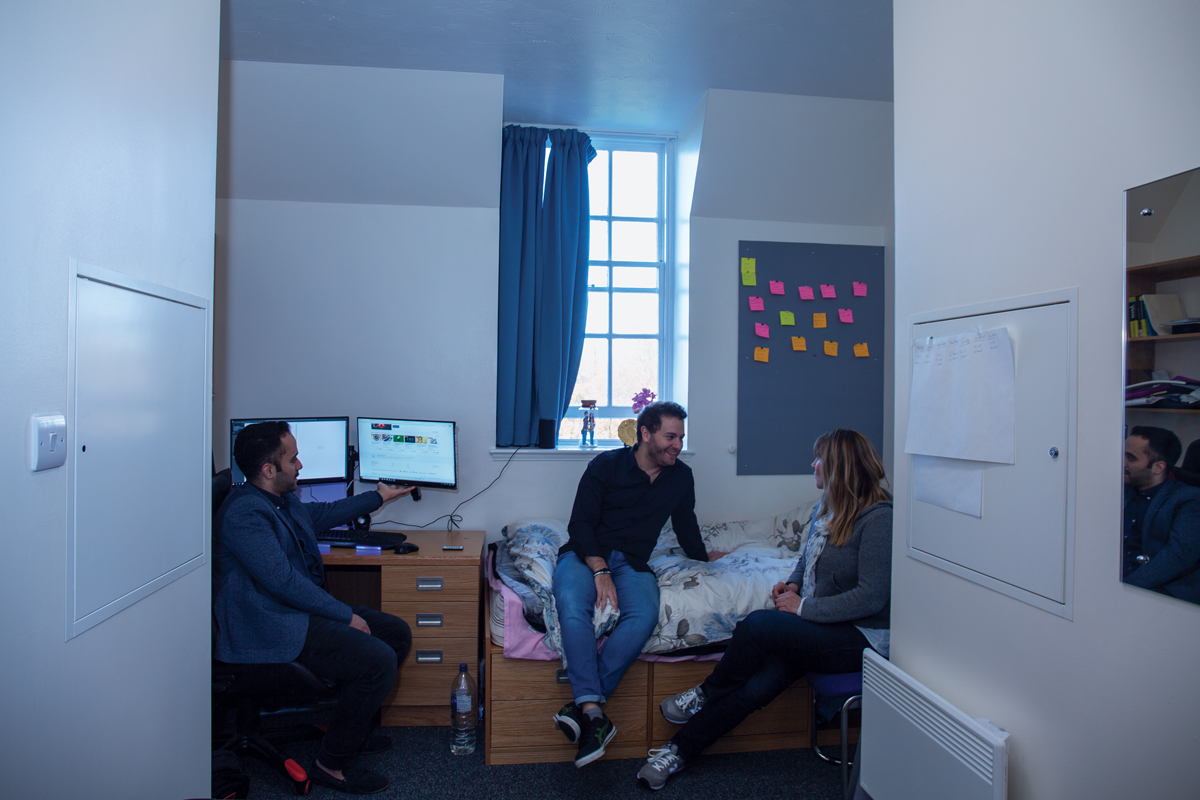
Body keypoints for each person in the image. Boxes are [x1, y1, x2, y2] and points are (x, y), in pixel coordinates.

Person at [636, 429, 892, 790]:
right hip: (820, 630)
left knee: (757, 626)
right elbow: (807, 560)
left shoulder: (879, 518)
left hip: (860, 638)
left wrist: (803, 607)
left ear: (840, 466)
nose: (813, 464)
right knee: (754, 690)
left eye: (819, 458)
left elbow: (871, 598)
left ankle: (705, 693)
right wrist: (793, 585)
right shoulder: (828, 506)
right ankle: (677, 752)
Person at [214, 421, 414, 795]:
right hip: (270, 624)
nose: (301, 465)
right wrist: (344, 615)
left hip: (295, 611)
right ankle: (331, 764)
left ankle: (347, 733)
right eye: (293, 459)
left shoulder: (281, 498)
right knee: (377, 660)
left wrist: (378, 497)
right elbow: (282, 582)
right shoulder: (245, 514)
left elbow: (320, 516)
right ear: (268, 470)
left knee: (395, 634)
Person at [551, 401, 726, 768]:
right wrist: (600, 571)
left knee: (644, 615)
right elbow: (579, 524)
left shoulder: (681, 476)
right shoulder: (605, 465)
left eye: (680, 437)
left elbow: (685, 524)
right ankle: (594, 712)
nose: (677, 444)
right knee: (572, 604)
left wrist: (702, 556)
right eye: (670, 436)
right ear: (645, 434)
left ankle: (586, 707)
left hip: (632, 562)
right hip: (586, 553)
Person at [1122, 426, 1200, 603]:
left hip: (1161, 591)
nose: (1122, 462)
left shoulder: (1189, 500)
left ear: (1158, 467)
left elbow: (1175, 559)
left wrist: (1122, 587)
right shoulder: (1122, 490)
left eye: (1131, 458)